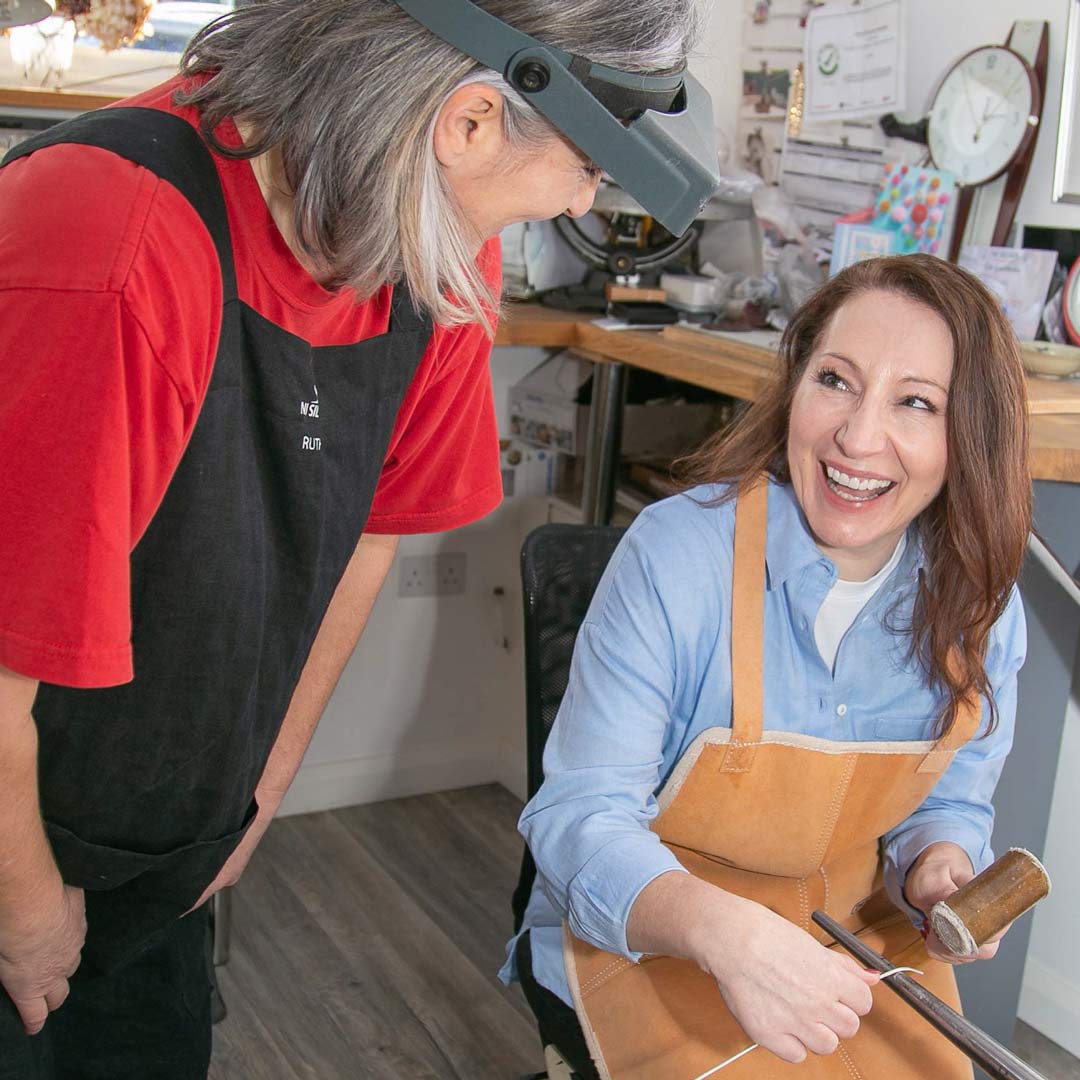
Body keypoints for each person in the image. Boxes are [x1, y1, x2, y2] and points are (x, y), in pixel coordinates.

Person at [0, 1, 716, 1076]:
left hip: (155, 860)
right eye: (585, 172)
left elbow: (366, 539)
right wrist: (23, 910)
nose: (581, 202)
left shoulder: (434, 268)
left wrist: (258, 799)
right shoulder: (114, 237)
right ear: (469, 122)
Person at [502, 254, 1031, 1079]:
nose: (857, 437)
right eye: (836, 381)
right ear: (795, 386)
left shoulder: (982, 610)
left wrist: (939, 866)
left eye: (916, 403)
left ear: (971, 438)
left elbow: (954, 798)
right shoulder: (678, 558)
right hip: (655, 936)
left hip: (849, 938)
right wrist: (724, 933)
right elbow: (577, 820)